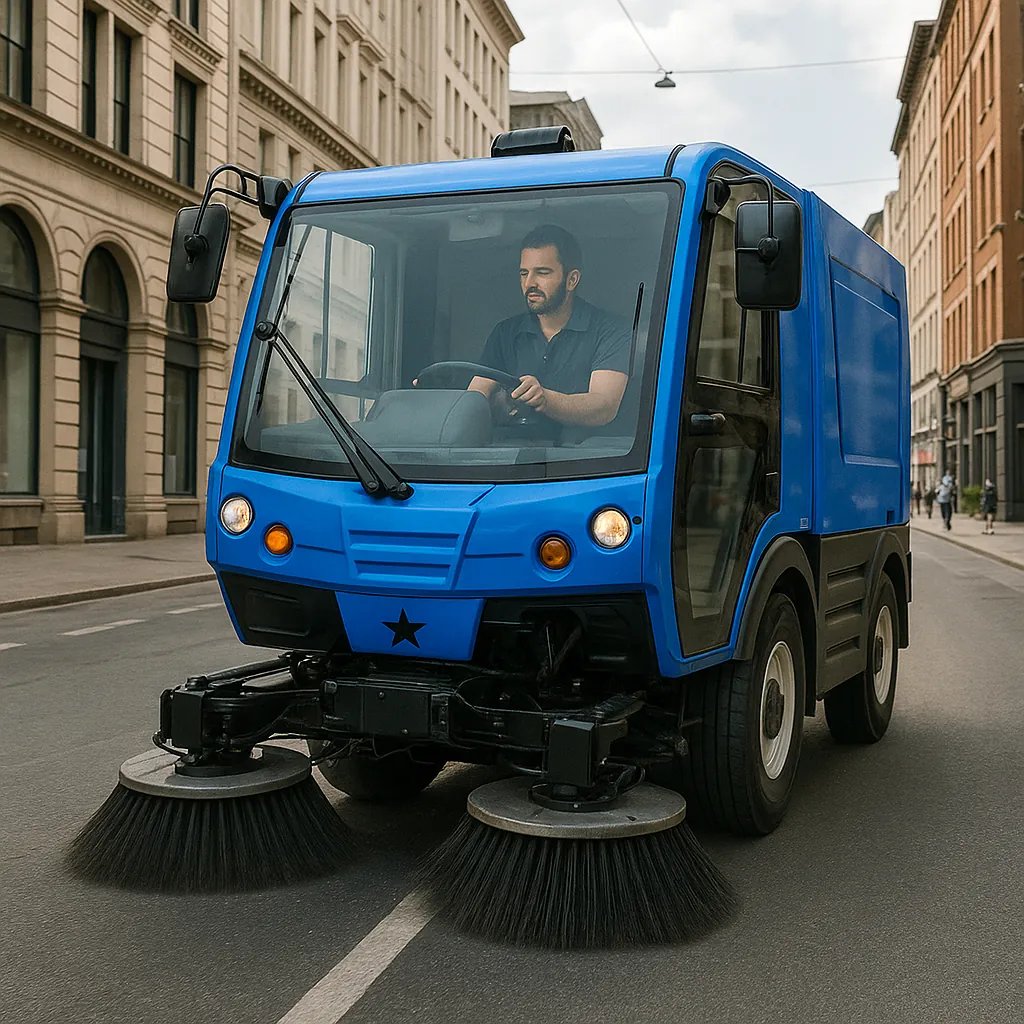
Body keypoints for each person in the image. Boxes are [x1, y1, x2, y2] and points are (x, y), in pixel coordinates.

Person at [466, 225, 631, 432]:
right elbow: (474, 398)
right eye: (524, 273)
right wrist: (440, 400)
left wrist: (545, 399)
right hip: (509, 457)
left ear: (571, 280)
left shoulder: (612, 331)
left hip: (589, 459)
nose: (529, 283)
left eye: (542, 273)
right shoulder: (505, 332)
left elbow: (604, 406)